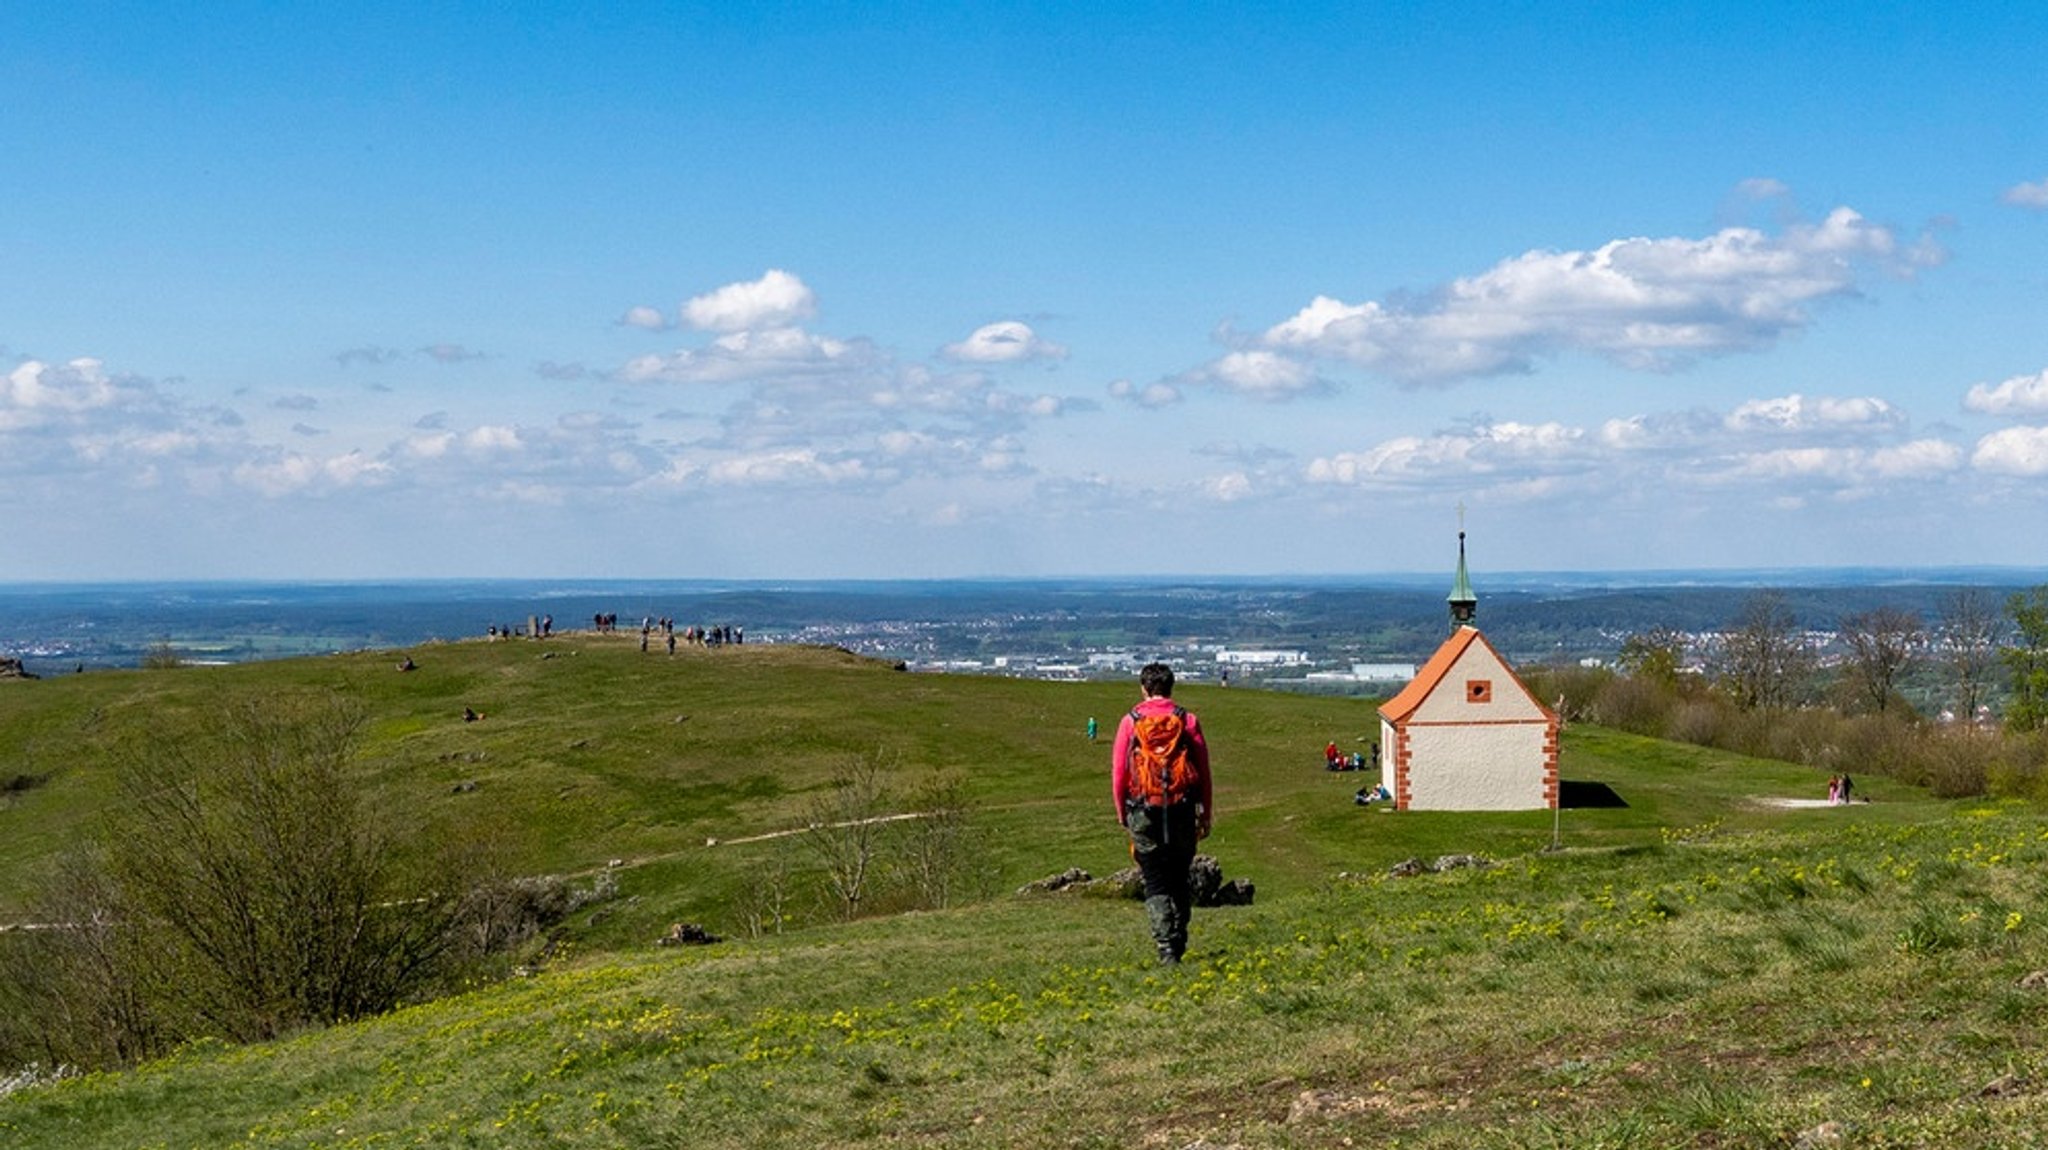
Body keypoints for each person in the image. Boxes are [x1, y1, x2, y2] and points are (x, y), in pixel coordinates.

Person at [1112, 662, 1213, 965]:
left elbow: (1119, 772)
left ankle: (1165, 945)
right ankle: (1179, 935)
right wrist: (1205, 812)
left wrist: (1121, 811)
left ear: (1144, 689)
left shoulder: (1130, 722)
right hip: (1182, 807)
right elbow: (1204, 770)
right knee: (1180, 875)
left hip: (1143, 809)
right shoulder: (1187, 720)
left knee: (1155, 878)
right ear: (1171, 687)